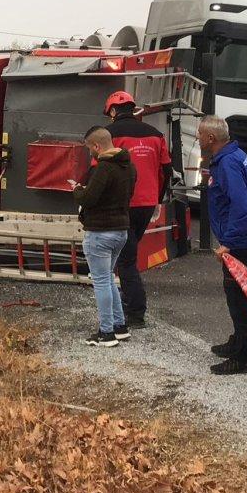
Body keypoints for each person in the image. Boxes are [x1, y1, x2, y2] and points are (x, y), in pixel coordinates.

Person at [198, 114, 247, 375]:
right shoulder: (232, 156)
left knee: (239, 298)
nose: (198, 137)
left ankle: (243, 358)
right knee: (235, 295)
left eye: (200, 134)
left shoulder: (228, 163)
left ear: (211, 138)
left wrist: (228, 242)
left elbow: (241, 206)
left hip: (242, 243)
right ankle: (238, 341)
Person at [104, 90, 172, 328]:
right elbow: (167, 171)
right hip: (147, 204)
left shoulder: (110, 135)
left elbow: (99, 171)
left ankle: (135, 311)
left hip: (123, 204)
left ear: (113, 111)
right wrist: (157, 199)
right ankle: (128, 302)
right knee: (128, 254)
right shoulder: (156, 135)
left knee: (126, 259)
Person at [72, 126, 137, 348]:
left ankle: (106, 333)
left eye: (89, 147)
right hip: (121, 230)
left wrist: (78, 190)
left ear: (97, 146)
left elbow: (89, 199)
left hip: (100, 233)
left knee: (100, 281)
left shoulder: (104, 168)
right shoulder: (129, 167)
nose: (90, 152)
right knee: (108, 278)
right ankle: (120, 327)